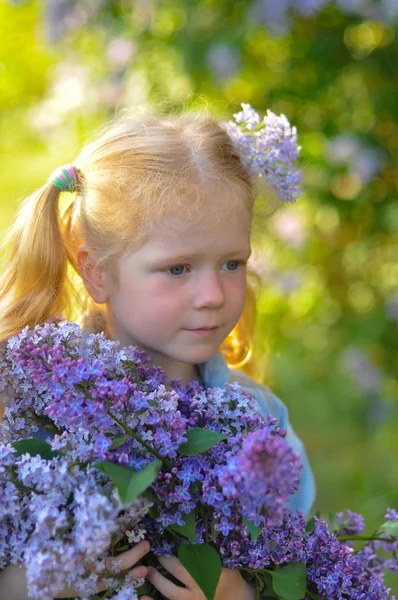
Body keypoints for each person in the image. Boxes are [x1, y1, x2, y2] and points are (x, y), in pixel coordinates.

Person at [0, 111, 315, 600]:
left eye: (232, 263)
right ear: (97, 271)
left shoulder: (262, 421)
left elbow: (307, 571)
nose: (213, 293)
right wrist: (30, 584)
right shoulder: (32, 412)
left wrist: (237, 594)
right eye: (178, 268)